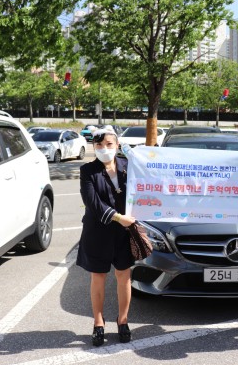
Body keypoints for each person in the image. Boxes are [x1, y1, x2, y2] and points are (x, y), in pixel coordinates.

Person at [77, 126, 136, 346]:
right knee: (98, 277)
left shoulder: (129, 167)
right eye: (99, 145)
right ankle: (98, 322)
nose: (104, 149)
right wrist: (119, 218)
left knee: (124, 276)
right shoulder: (87, 171)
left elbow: (143, 191)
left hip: (124, 233)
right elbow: (93, 203)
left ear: (117, 145)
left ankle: (123, 320)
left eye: (109, 145)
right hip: (98, 232)